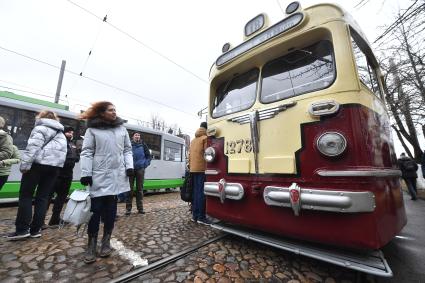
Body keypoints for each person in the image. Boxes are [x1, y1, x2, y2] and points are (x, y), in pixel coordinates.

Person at [79, 101, 133, 264]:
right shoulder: (92, 130)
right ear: (102, 113)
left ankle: (106, 242)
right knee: (94, 212)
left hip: (116, 176)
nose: (114, 112)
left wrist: (129, 166)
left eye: (115, 110)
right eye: (110, 110)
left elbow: (127, 150)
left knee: (110, 212)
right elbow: (87, 152)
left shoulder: (122, 129)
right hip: (98, 176)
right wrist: (86, 173)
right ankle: (91, 244)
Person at [7, 110, 67, 240]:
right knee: (43, 198)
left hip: (37, 166)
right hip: (54, 168)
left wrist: (24, 166)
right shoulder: (60, 133)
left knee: (26, 196)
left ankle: (22, 230)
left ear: (41, 117)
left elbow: (32, 148)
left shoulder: (40, 128)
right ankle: (36, 230)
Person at [46, 126, 80, 227]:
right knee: (47, 197)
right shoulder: (58, 142)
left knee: (61, 198)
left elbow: (76, 158)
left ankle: (55, 219)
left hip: (68, 175)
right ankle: (39, 220)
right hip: (57, 174)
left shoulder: (72, 144)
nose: (71, 134)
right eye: (69, 132)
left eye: (72, 133)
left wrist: (76, 154)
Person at [126, 132, 151, 215]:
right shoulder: (129, 144)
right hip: (131, 169)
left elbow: (148, 156)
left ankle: (140, 208)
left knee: (139, 189)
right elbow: (125, 155)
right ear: (133, 137)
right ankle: (128, 209)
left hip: (140, 169)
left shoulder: (143, 144)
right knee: (130, 189)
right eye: (136, 135)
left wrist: (145, 164)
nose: (137, 136)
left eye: (138, 135)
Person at [189, 121, 209, 224]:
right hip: (202, 169)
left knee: (196, 192)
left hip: (193, 169)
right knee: (201, 193)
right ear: (206, 128)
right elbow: (208, 154)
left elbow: (189, 156)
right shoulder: (205, 138)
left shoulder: (193, 141)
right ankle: (201, 217)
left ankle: (194, 216)